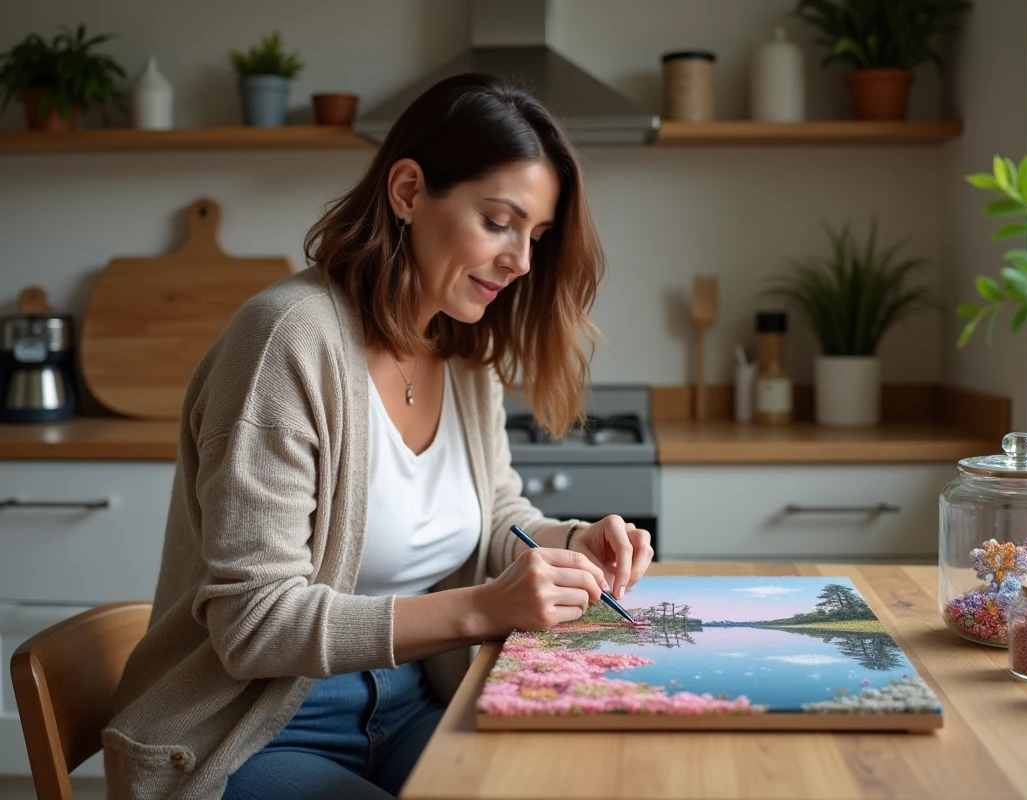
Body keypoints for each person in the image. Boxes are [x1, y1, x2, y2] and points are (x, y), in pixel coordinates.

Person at [101, 73, 654, 800]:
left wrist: (569, 541)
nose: (522, 260)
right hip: (256, 729)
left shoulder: (460, 352)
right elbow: (253, 625)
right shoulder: (285, 342)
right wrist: (487, 609)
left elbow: (494, 517)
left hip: (412, 704)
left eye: (536, 236)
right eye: (498, 221)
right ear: (406, 192)